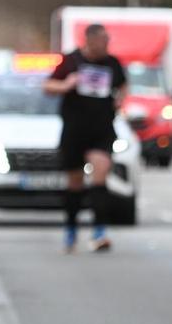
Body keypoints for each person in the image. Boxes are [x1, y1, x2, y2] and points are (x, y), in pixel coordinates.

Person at [44, 23, 128, 253]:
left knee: (100, 173)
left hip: (101, 128)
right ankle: (70, 230)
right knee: (75, 182)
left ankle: (99, 231)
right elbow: (48, 85)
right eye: (103, 40)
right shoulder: (71, 61)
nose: (107, 44)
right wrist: (66, 85)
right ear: (89, 40)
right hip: (74, 129)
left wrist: (120, 99)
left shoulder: (112, 63)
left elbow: (123, 85)